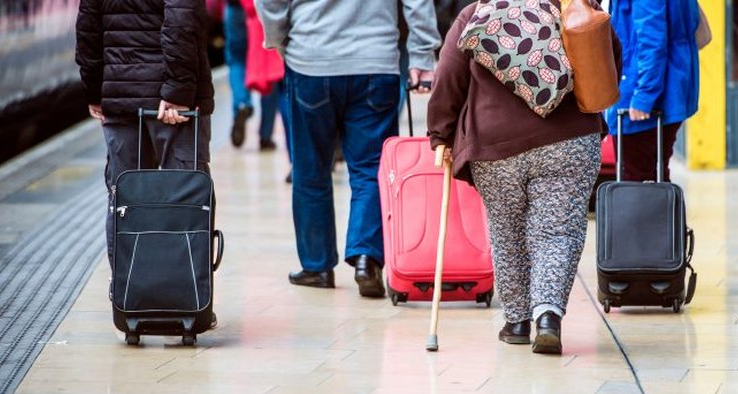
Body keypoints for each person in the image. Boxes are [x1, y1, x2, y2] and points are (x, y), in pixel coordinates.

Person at [427, 2, 621, 354]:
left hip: (495, 145)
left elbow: (447, 76)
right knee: (557, 232)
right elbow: (610, 59)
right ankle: (547, 316)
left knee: (507, 232)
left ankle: (517, 321)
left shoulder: (477, 13)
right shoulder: (574, 5)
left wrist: (440, 133)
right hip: (569, 139)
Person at [256, 0, 440, 298]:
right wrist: (421, 54)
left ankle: (317, 266)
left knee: (310, 169)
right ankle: (367, 257)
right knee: (371, 169)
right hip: (376, 62)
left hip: (310, 59)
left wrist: (280, 40)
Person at [75, 0, 215, 268]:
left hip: (121, 95)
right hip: (171, 106)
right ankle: (184, 286)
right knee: (186, 198)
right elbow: (181, 19)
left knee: (125, 200)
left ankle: (127, 285)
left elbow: (88, 28)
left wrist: (95, 89)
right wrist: (178, 91)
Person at [605, 0, 701, 182]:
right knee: (656, 175)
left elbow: (651, 40)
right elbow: (702, 35)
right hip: (670, 88)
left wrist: (644, 96)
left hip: (642, 94)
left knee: (635, 179)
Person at [224, 0, 285, 151]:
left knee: (237, 60)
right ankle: (266, 135)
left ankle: (242, 103)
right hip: (261, 9)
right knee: (269, 70)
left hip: (236, 8)